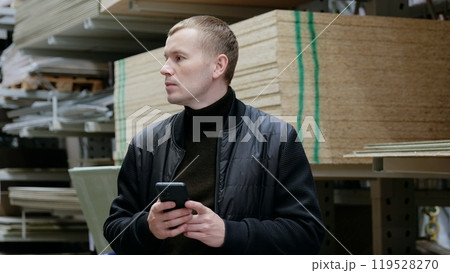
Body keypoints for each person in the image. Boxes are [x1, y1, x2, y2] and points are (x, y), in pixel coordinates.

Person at [104, 15, 324, 254]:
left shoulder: (276, 139)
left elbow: (307, 234)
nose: (164, 68)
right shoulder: (146, 144)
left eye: (178, 58)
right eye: (166, 58)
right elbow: (115, 228)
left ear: (218, 66)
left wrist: (229, 233)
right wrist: (148, 228)